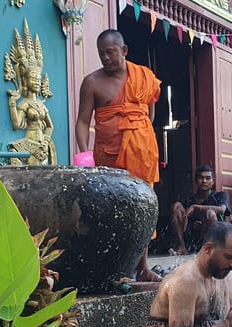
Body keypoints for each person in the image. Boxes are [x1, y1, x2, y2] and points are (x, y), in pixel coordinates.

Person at [76, 29, 161, 282]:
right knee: (113, 209)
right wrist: (85, 154)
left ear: (123, 51)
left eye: (110, 52)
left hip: (142, 154)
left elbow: (149, 114)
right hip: (109, 156)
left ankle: (143, 268)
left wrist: (138, 135)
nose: (105, 58)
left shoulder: (144, 77)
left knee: (144, 206)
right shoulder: (92, 82)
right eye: (101, 53)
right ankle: (112, 268)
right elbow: (82, 121)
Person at [171, 165, 231, 254]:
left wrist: (196, 207)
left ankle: (214, 248)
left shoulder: (221, 195)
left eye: (208, 178)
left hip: (211, 237)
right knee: (176, 206)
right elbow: (183, 222)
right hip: (192, 240)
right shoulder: (190, 200)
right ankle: (182, 245)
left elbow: (222, 210)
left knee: (210, 213)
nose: (204, 181)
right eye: (200, 178)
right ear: (196, 180)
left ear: (213, 181)